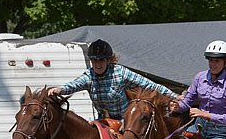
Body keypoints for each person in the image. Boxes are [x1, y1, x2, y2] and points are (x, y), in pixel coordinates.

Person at [47, 39, 177, 120]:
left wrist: (174, 96)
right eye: (94, 60)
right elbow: (74, 85)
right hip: (102, 122)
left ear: (108, 60)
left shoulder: (120, 73)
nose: (98, 64)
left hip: (125, 121)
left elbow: (149, 85)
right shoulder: (89, 76)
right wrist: (60, 89)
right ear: (91, 61)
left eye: (101, 60)